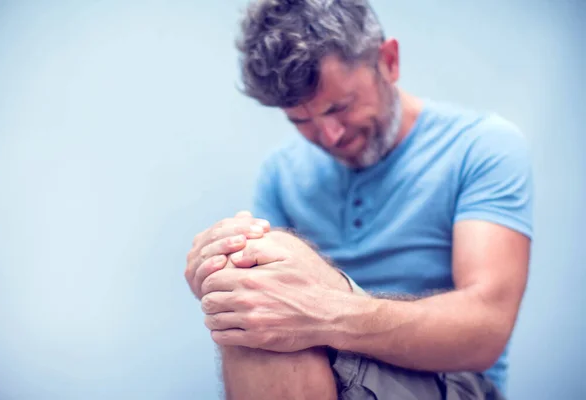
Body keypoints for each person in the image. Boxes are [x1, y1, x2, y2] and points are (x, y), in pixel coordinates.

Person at [185, 0, 533, 399]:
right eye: (301, 121)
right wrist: (217, 272)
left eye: (340, 107)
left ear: (388, 61)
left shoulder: (481, 147)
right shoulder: (281, 173)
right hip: (325, 372)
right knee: (258, 301)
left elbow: (486, 330)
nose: (329, 136)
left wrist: (320, 312)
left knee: (273, 308)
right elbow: (262, 301)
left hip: (449, 381)